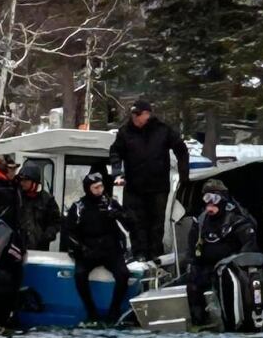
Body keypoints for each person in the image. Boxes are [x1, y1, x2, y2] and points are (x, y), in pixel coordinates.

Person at [109, 98, 190, 262]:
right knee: (135, 222)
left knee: (156, 223)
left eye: (139, 114)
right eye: (134, 114)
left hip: (158, 186)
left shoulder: (163, 130)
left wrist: (184, 175)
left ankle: (155, 254)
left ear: (147, 114)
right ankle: (139, 253)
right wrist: (117, 172)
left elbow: (181, 149)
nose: (136, 118)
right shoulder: (125, 132)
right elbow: (115, 152)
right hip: (134, 186)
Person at [185, 180, 258, 325]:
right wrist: (191, 264)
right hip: (205, 268)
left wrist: (231, 264)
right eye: (207, 199)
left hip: (230, 269)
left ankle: (231, 320)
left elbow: (248, 247)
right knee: (192, 284)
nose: (210, 204)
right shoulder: (200, 222)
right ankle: (199, 322)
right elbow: (191, 248)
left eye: (214, 199)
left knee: (226, 283)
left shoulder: (237, 221)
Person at [64, 171, 131, 325]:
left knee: (123, 274)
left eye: (101, 186)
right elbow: (70, 231)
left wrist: (118, 215)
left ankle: (114, 312)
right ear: (88, 189)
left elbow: (129, 222)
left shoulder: (110, 204)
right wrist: (80, 248)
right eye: (96, 188)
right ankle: (91, 312)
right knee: (80, 275)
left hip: (110, 249)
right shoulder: (79, 207)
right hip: (88, 249)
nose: (100, 190)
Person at [17, 161, 61, 251]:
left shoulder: (47, 199)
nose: (22, 183)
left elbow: (57, 222)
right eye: (21, 180)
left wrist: (48, 235)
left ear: (34, 181)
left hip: (40, 249)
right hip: (18, 248)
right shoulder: (17, 196)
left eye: (25, 180)